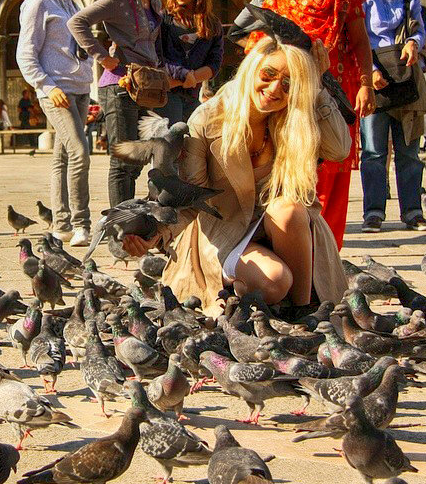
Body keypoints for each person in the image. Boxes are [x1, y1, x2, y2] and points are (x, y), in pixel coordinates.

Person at [124, 35, 350, 316]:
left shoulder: (293, 117)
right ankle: (244, 291)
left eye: (290, 84)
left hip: (285, 229)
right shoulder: (208, 119)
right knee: (275, 282)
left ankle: (303, 311)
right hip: (224, 230)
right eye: (268, 74)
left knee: (289, 208)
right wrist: (156, 234)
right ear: (251, 69)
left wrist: (316, 86)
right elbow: (192, 197)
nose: (275, 88)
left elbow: (340, 150)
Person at [258, 0, 374, 247]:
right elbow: (264, 44)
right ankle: (298, 245)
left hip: (337, 92)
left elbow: (361, 42)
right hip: (293, 94)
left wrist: (366, 84)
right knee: (299, 167)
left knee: (335, 169)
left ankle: (329, 248)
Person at [68, 0, 188, 206]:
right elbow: (77, 22)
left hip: (147, 86)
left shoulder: (155, 3)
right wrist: (104, 58)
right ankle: (119, 230)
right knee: (123, 160)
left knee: (139, 157)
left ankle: (133, 218)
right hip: (119, 85)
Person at [17, 0, 94, 244]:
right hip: (57, 90)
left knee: (62, 157)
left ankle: (60, 224)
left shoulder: (71, 5)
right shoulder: (38, 3)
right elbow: (26, 54)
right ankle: (81, 224)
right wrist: (48, 86)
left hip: (80, 89)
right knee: (79, 152)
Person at [358, 0, 426, 233]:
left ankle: (413, 211)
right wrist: (370, 69)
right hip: (375, 77)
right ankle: (373, 212)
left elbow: (419, 28)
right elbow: (359, 35)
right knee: (374, 151)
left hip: (404, 76)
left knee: (409, 151)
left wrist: (414, 42)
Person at [159, 0, 224, 123]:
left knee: (192, 144)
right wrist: (184, 75)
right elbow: (158, 57)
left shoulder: (212, 24)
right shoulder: (164, 20)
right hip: (167, 96)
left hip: (194, 96)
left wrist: (192, 77)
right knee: (170, 143)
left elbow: (215, 63)